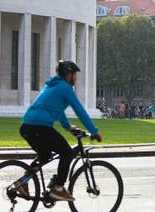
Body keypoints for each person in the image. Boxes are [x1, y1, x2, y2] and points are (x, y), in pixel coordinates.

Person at [19, 60, 102, 201]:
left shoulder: (52, 86)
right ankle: (58, 188)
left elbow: (57, 110)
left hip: (27, 127)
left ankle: (23, 183)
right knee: (67, 153)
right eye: (74, 75)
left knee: (44, 155)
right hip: (40, 127)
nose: (75, 78)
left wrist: (68, 127)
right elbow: (80, 111)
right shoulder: (65, 88)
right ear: (68, 74)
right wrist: (94, 131)